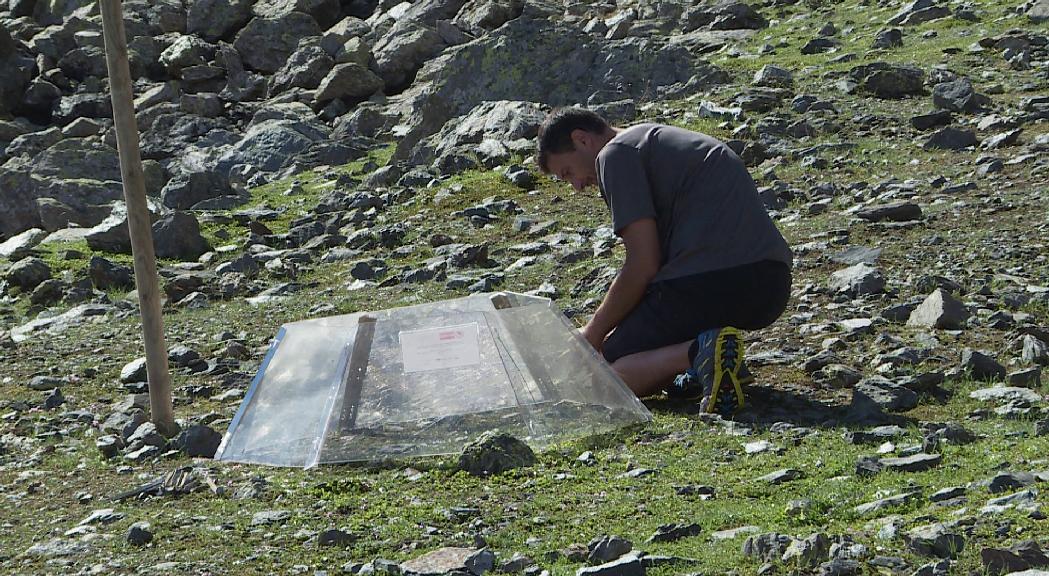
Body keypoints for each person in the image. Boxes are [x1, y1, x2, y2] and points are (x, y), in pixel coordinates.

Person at [536, 107, 793, 416]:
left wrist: (591, 335)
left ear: (582, 139)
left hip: (711, 280)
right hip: (771, 282)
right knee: (633, 338)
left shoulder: (615, 155)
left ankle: (700, 353)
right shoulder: (652, 137)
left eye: (567, 173)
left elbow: (644, 264)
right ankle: (706, 366)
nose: (577, 186)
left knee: (606, 370)